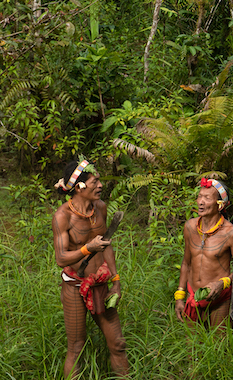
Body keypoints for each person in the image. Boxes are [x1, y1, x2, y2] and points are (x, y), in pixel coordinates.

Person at [52, 158, 129, 379]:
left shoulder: (101, 208)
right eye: (95, 182)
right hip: (75, 287)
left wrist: (116, 281)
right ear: (79, 187)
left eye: (99, 181)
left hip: (100, 284)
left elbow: (106, 247)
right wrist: (88, 248)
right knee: (76, 347)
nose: (101, 185)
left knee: (118, 343)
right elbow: (61, 258)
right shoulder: (62, 216)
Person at [175, 177, 233, 327]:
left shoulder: (232, 233)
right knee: (192, 348)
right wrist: (180, 296)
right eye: (200, 196)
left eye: (207, 198)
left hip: (219, 299)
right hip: (193, 297)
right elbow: (186, 264)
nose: (200, 202)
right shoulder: (189, 227)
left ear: (220, 205)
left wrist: (222, 283)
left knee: (219, 347)